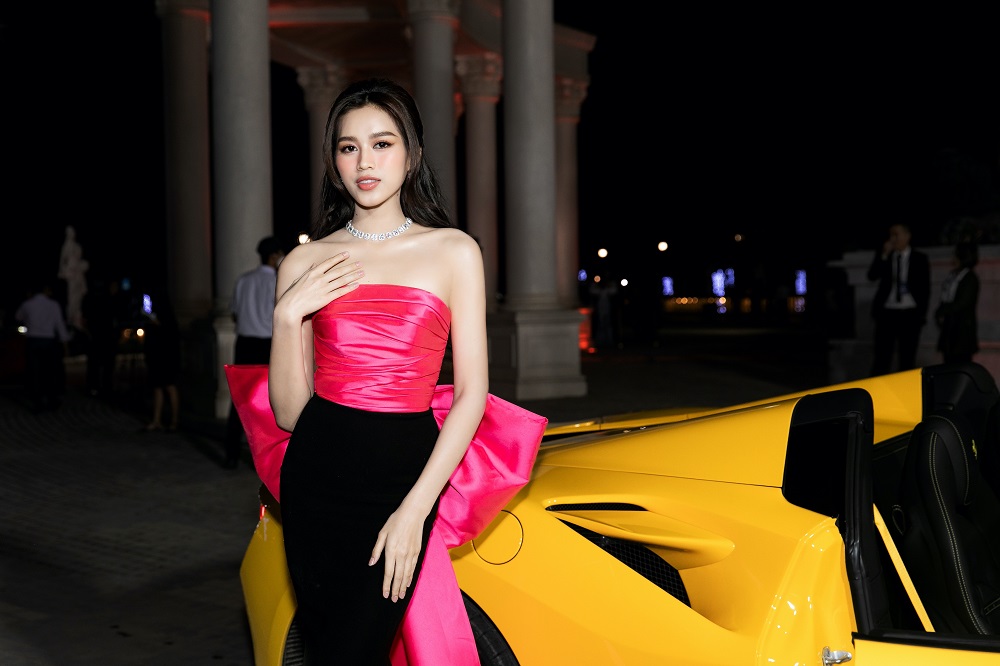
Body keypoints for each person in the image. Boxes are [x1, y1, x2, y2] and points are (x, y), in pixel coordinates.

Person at [268, 78, 489, 663]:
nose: (365, 161)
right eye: (349, 147)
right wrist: (287, 316)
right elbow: (289, 415)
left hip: (404, 472)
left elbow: (472, 394)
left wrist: (416, 509)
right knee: (330, 649)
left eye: (382, 143)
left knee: (362, 645)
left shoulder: (454, 251)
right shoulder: (305, 260)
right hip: (316, 474)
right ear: (334, 161)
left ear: (411, 155)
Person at [223, 235, 285, 468]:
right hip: (267, 344)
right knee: (268, 401)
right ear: (274, 256)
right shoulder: (276, 281)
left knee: (240, 399)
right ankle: (267, 457)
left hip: (244, 343)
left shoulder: (243, 280)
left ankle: (230, 454)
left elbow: (235, 313)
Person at [866, 223, 931, 375]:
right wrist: (884, 255)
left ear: (907, 236)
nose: (893, 239)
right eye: (891, 235)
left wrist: (921, 313)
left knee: (907, 357)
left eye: (896, 235)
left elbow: (925, 289)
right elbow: (872, 275)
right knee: (882, 357)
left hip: (909, 313)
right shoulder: (886, 255)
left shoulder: (919, 258)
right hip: (887, 312)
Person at [15, 278, 71, 411]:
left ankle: (37, 401)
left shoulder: (27, 304)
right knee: (50, 371)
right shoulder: (53, 305)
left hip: (33, 340)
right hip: (48, 341)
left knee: (35, 371)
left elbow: (18, 317)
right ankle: (52, 398)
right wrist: (65, 343)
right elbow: (59, 325)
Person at [934, 241, 980, 364]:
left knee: (961, 363)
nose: (953, 258)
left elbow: (963, 302)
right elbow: (946, 295)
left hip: (962, 331)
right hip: (950, 328)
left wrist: (943, 310)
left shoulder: (970, 277)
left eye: (956, 255)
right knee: (948, 362)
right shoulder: (953, 275)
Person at [141, 291, 181, 431]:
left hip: (166, 355)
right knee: (157, 387)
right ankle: (156, 420)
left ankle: (174, 421)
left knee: (169, 386)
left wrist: (155, 320)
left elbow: (168, 333)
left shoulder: (167, 317)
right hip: (155, 354)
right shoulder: (153, 314)